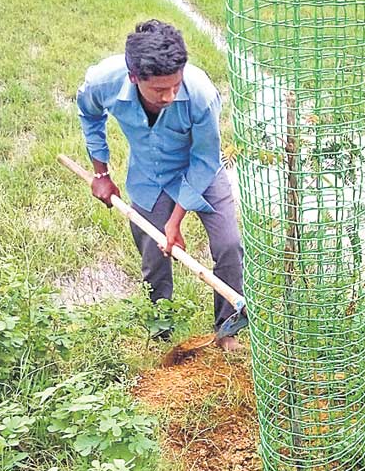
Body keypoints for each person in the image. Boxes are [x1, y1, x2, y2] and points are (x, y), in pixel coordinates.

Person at [76, 19, 243, 351]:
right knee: (154, 257)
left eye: (175, 86)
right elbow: (89, 114)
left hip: (201, 170)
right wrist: (101, 174)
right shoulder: (103, 81)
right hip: (149, 174)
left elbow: (204, 160)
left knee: (228, 245)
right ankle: (162, 330)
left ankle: (228, 331)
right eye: (158, 90)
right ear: (134, 77)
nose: (169, 96)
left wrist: (175, 220)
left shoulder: (201, 94)